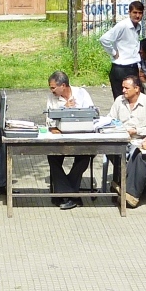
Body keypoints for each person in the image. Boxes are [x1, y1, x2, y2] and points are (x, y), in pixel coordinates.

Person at [46, 71, 95, 211]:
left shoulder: (82, 94)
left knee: (86, 155)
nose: (51, 90)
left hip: (82, 136)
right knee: (52, 156)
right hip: (61, 138)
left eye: (53, 87)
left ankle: (64, 193)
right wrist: (64, 110)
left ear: (63, 85)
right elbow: (48, 121)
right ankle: (72, 195)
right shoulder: (52, 98)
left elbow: (93, 115)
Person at [104, 74, 146, 188]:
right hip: (120, 139)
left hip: (139, 141)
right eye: (123, 87)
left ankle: (126, 185)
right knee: (111, 150)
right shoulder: (119, 101)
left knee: (134, 154)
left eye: (126, 88)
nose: (123, 90)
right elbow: (110, 119)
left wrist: (136, 131)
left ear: (136, 89)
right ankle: (125, 183)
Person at [99, 0, 144, 99]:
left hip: (133, 67)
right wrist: (113, 53)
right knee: (121, 100)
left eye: (140, 13)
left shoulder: (138, 27)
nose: (137, 16)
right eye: (135, 12)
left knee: (136, 99)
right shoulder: (123, 25)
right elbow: (104, 39)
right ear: (129, 13)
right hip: (121, 68)